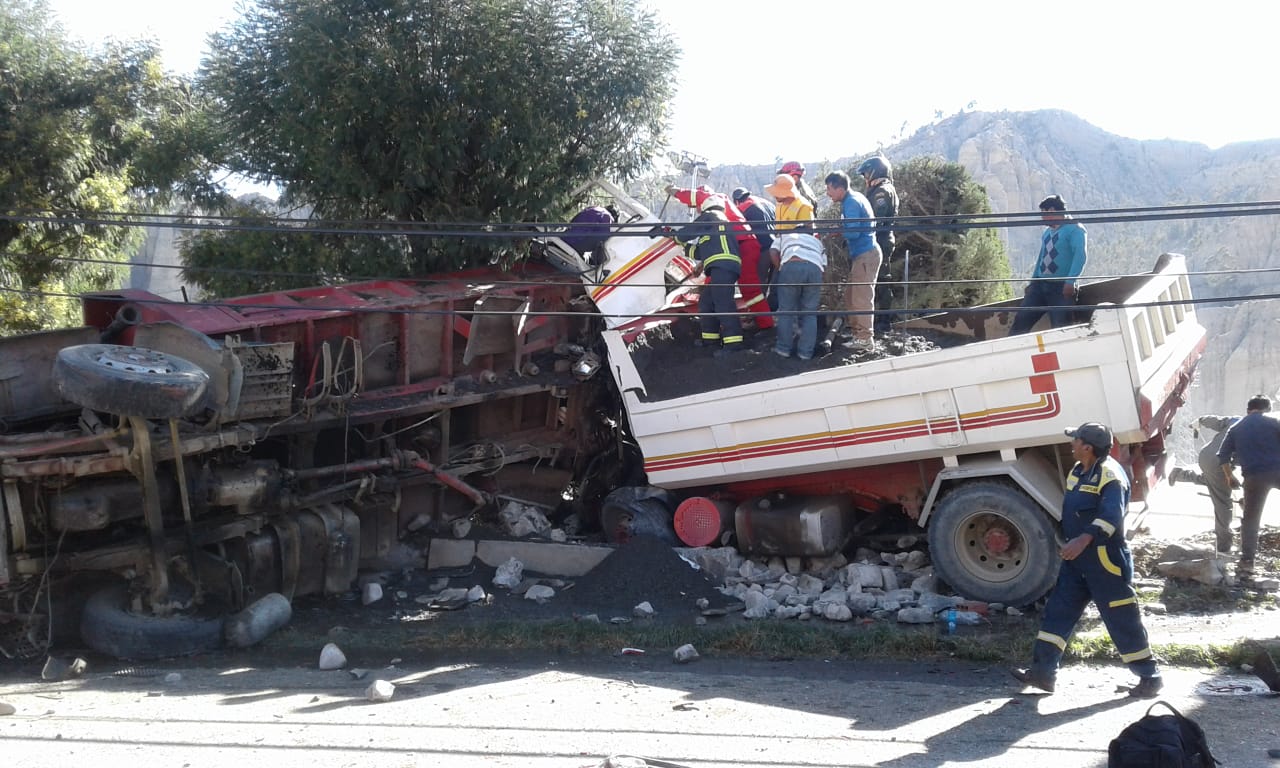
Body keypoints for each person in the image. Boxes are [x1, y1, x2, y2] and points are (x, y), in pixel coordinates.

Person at [1013, 421, 1163, 699]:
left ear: (1088, 447)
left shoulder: (1110, 476)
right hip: (1077, 561)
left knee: (1121, 618)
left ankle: (1149, 677)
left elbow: (1111, 518)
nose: (1072, 443)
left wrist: (1082, 540)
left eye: (1076, 440)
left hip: (1105, 560)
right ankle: (1044, 673)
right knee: (1058, 612)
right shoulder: (1078, 472)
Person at [667, 185, 773, 330]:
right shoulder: (718, 218)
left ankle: (765, 325)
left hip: (743, 245)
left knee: (749, 289)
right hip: (738, 246)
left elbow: (697, 198)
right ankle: (715, 325)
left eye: (697, 206)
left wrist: (676, 192)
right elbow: (716, 247)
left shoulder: (715, 203)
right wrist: (703, 264)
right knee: (717, 286)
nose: (698, 209)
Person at [1216, 395, 1280, 583]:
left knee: (1251, 520)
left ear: (1248, 410)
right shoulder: (1274, 422)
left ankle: (1247, 563)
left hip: (1253, 477)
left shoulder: (1236, 428)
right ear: (1267, 409)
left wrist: (1230, 476)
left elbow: (1223, 456)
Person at [673, 196, 744, 357]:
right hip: (722, 267)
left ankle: (734, 344)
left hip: (723, 266)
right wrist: (683, 245)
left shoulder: (712, 216)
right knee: (706, 302)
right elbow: (699, 252)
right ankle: (710, 340)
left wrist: (676, 236)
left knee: (723, 303)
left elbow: (690, 230)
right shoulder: (714, 229)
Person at [1009, 195, 1088, 335]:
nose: (1042, 218)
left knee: (1061, 328)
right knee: (1021, 321)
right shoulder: (1048, 232)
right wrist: (1033, 281)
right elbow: (1041, 257)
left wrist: (1070, 281)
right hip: (1040, 286)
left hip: (1061, 288)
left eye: (1043, 213)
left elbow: (1080, 256)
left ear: (1052, 211)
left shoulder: (1075, 229)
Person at [824, 171, 880, 351]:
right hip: (863, 255)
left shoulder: (851, 203)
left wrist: (836, 231)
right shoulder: (854, 199)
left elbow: (854, 232)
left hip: (866, 254)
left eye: (829, 189)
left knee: (861, 298)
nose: (828, 193)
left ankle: (865, 340)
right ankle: (858, 333)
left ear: (840, 188)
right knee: (850, 296)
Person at [856, 156, 900, 333]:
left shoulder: (882, 191)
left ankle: (884, 320)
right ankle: (879, 318)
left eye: (867, 173)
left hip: (880, 239)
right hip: (881, 239)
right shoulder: (882, 189)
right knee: (880, 279)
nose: (865, 177)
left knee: (882, 279)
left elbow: (877, 219)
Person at [769, 224, 826, 360]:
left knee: (786, 311)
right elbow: (824, 266)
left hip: (792, 264)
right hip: (814, 269)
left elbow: (772, 251)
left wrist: (781, 268)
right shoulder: (818, 242)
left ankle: (783, 349)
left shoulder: (785, 236)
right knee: (810, 313)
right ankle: (805, 353)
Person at [1194, 414, 1241, 553]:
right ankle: (1224, 547)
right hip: (1219, 463)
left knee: (1212, 481)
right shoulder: (1261, 433)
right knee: (1223, 504)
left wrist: (1200, 420)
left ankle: (1179, 474)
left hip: (1206, 455)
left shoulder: (1237, 420)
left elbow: (1216, 421)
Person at [733, 187, 779, 310]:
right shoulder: (768, 204)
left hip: (763, 250)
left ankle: (759, 316)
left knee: (758, 286)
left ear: (737, 201)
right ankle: (771, 314)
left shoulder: (744, 207)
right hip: (777, 248)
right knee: (773, 285)